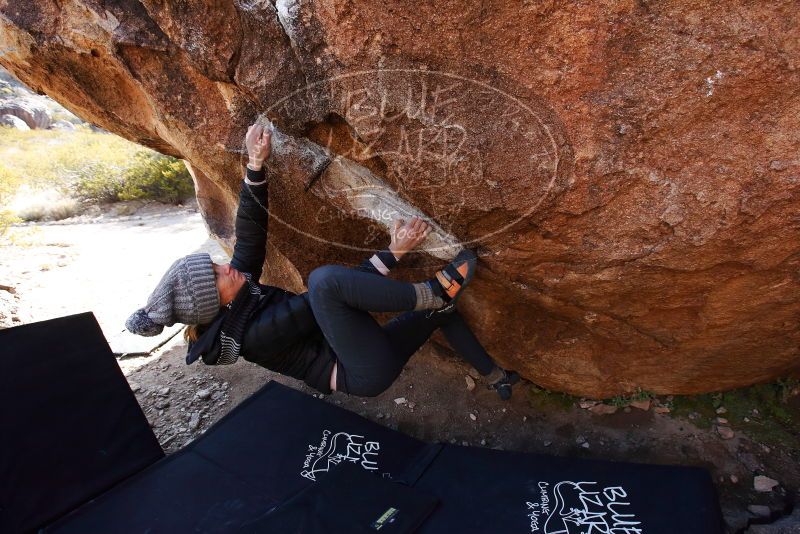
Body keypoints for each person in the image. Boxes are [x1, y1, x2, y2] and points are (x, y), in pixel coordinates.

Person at [125, 122, 519, 399]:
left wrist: (255, 165)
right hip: (362, 372)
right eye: (214, 275)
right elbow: (321, 301)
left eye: (212, 263)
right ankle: (433, 290)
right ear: (215, 303)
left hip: (360, 344)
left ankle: (496, 377)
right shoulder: (251, 335)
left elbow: (250, 232)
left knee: (444, 314)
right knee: (324, 281)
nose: (223, 265)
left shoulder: (238, 294)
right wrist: (395, 252)